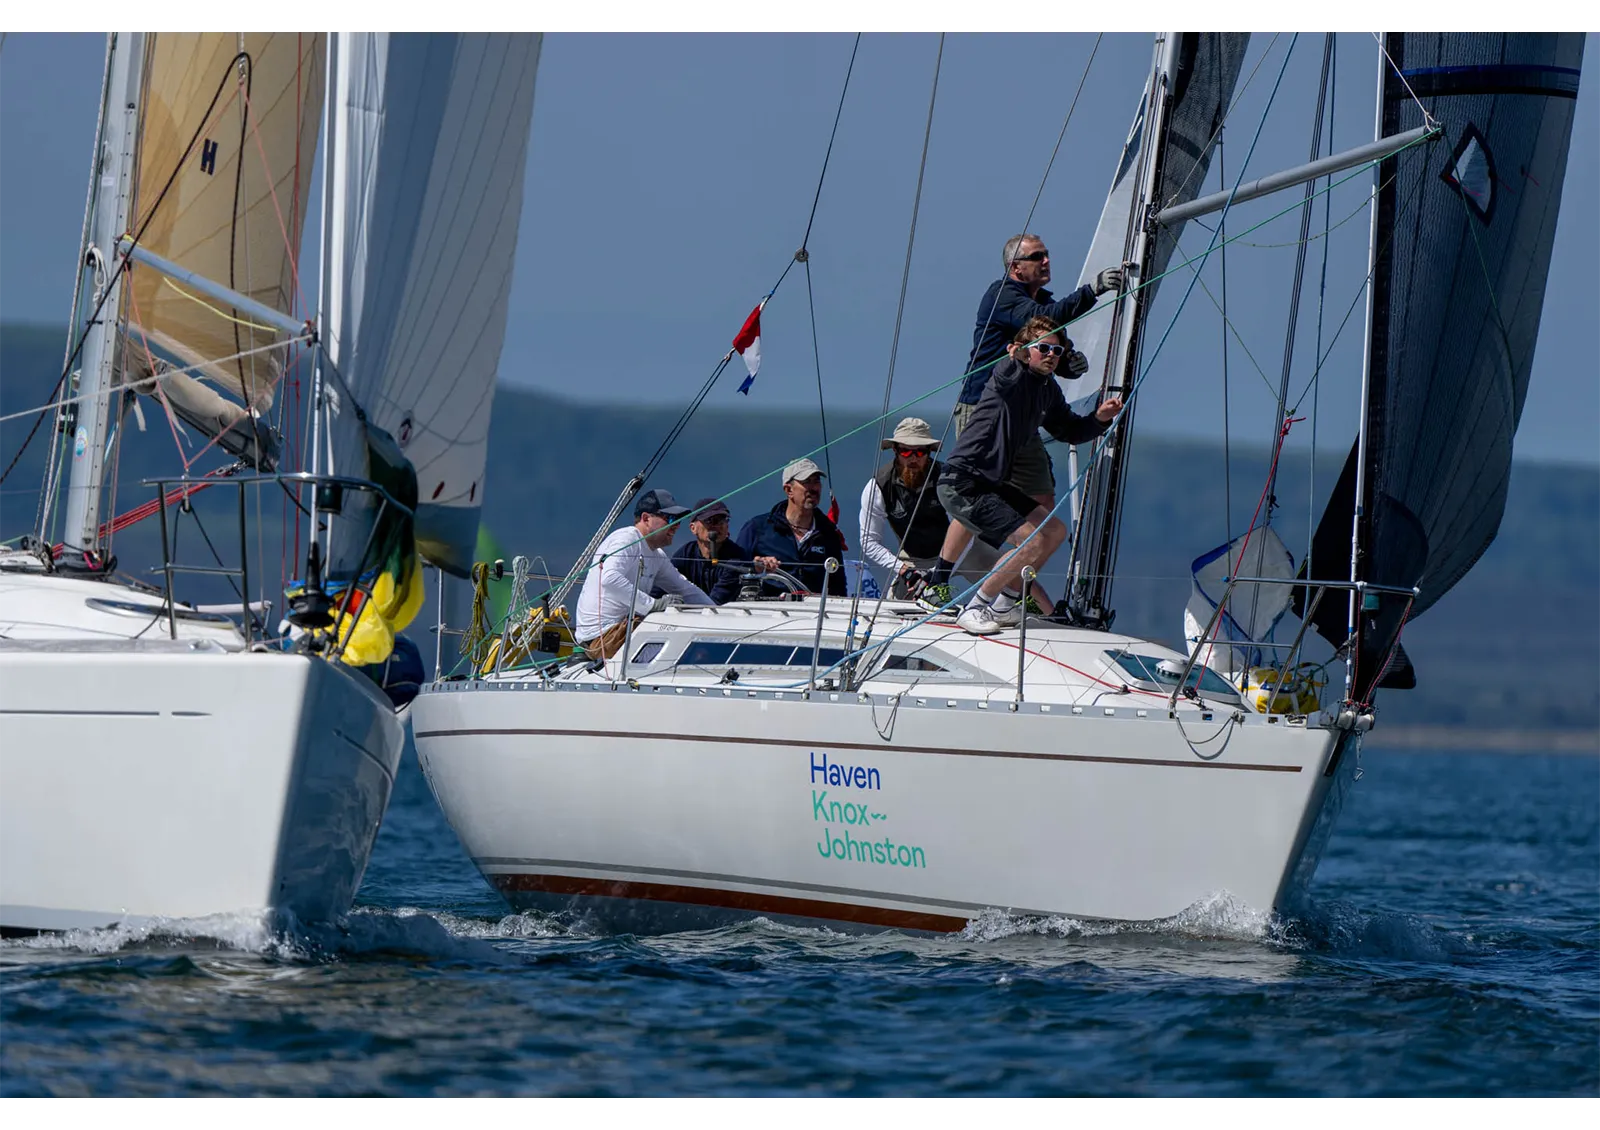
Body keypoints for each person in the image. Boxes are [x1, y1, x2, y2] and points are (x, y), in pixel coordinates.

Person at [927, 233, 1128, 602]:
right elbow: (1040, 327)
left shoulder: (1045, 308)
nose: (1046, 261)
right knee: (975, 490)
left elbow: (1048, 349)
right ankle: (939, 580)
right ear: (1015, 267)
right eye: (1037, 256)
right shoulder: (1002, 295)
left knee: (1043, 503)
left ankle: (1014, 594)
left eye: (1047, 254)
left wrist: (1069, 365)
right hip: (986, 407)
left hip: (1028, 412)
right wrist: (1093, 289)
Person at [936, 316, 1124, 635]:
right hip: (963, 482)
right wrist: (1017, 355)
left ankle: (1006, 603)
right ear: (1025, 351)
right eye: (1044, 348)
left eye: (1057, 350)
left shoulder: (1047, 390)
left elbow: (1069, 429)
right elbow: (1010, 369)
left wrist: (1100, 419)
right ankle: (976, 607)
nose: (1051, 354)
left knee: (1053, 532)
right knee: (1031, 540)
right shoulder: (1010, 374)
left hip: (991, 485)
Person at [857, 417, 1000, 600]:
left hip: (964, 550)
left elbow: (966, 532)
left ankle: (1026, 609)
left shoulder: (948, 480)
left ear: (929, 452)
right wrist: (903, 570)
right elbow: (869, 541)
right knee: (895, 608)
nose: (913, 458)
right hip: (914, 559)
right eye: (906, 452)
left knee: (1009, 573)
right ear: (895, 451)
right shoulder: (878, 486)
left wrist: (939, 572)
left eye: (920, 452)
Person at [575, 489, 715, 660]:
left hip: (622, 630)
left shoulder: (656, 555)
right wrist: (653, 605)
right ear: (646, 519)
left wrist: (719, 614)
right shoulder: (627, 539)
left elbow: (686, 589)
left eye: (679, 521)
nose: (676, 526)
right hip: (602, 638)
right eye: (670, 519)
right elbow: (609, 579)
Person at [737, 458, 849, 597]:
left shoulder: (828, 533)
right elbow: (734, 572)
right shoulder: (757, 528)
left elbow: (838, 586)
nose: (814, 488)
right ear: (788, 490)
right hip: (768, 612)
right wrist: (756, 566)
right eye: (806, 482)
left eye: (816, 481)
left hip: (815, 613)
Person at [654, 497, 779, 605]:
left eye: (722, 520)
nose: (717, 526)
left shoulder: (736, 557)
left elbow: (715, 602)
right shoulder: (686, 553)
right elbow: (662, 585)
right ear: (693, 528)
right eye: (710, 521)